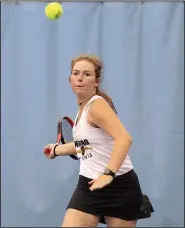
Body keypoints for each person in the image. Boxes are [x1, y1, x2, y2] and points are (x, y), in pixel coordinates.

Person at [43, 54, 154, 227]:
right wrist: (57, 150)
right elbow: (88, 145)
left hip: (120, 186)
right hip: (88, 185)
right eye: (76, 73)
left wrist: (108, 174)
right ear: (70, 80)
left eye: (87, 74)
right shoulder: (83, 109)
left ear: (96, 81)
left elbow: (124, 139)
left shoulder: (97, 105)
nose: (80, 78)